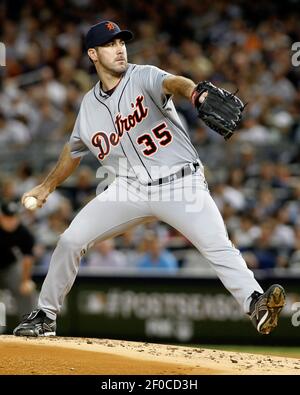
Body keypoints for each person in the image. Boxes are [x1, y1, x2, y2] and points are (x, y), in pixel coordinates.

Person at [14, 20, 285, 337]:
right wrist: (47, 185)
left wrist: (196, 94)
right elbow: (73, 151)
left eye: (121, 43)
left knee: (218, 246)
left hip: (180, 183)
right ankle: (45, 316)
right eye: (110, 45)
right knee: (71, 240)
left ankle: (255, 303)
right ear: (92, 54)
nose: (119, 49)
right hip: (128, 190)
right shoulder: (89, 106)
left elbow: (173, 83)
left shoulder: (143, 75)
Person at [0, 201, 37, 319]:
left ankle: (28, 324)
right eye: (7, 217)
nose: (11, 221)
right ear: (1, 217)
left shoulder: (23, 232)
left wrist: (25, 280)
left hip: (9, 266)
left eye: (14, 217)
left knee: (27, 291)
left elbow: (28, 258)